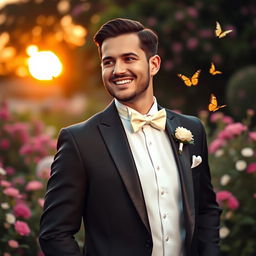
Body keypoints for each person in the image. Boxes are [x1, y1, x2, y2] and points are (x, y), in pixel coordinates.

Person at [39, 18, 221, 256]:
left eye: (129, 58)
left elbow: (206, 208)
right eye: (108, 62)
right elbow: (54, 233)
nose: (118, 70)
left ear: (153, 64)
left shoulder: (192, 129)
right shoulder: (80, 141)